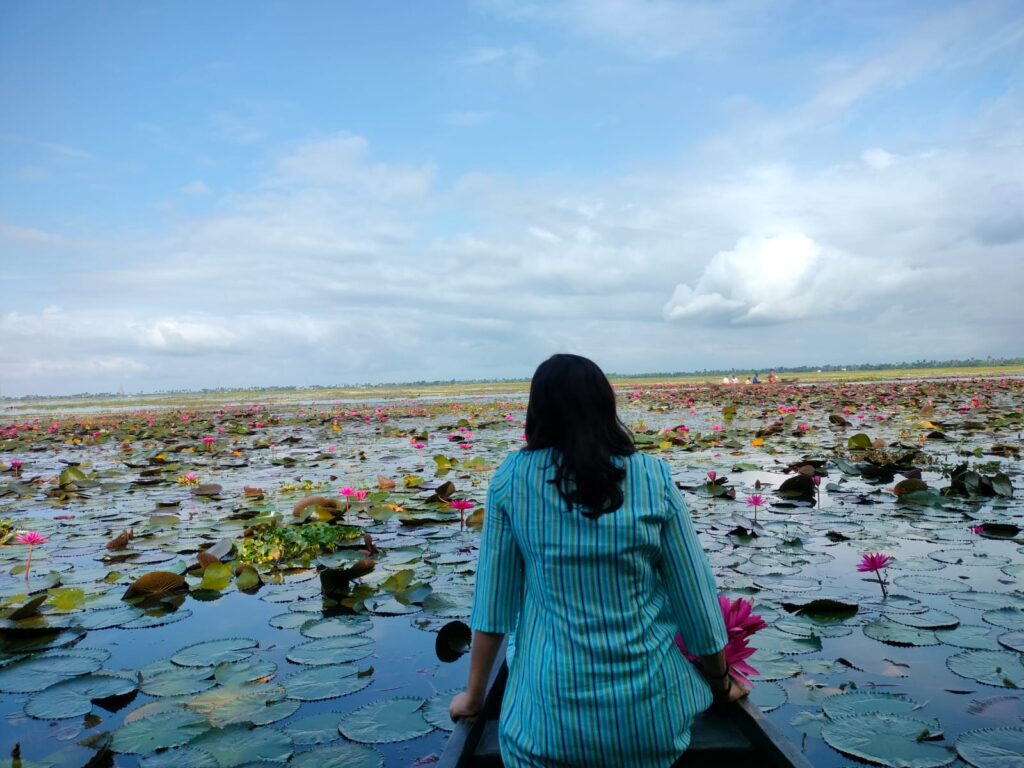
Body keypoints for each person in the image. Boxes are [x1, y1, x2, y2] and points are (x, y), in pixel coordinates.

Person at [449, 354, 745, 767]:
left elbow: (493, 608)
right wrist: (720, 681)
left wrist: (474, 697)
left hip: (545, 732)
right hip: (649, 726)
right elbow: (695, 601)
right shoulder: (653, 476)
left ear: (538, 412)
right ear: (607, 407)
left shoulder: (510, 479)